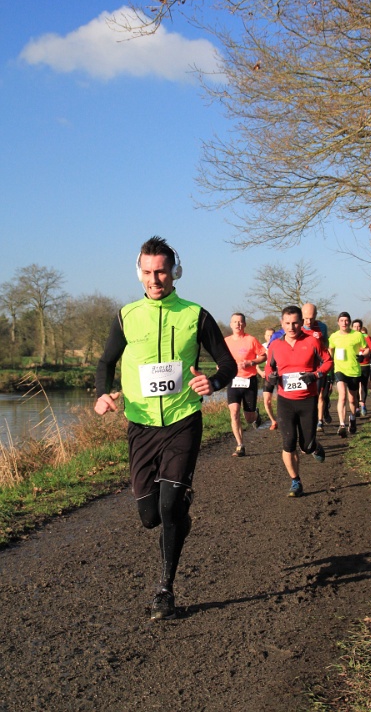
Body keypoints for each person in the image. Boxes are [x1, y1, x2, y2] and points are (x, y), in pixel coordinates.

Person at [94, 236, 236, 621]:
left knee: (169, 507)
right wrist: (103, 394)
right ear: (139, 273)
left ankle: (165, 590)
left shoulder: (195, 314)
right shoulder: (126, 316)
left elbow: (227, 364)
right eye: (147, 272)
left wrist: (213, 382)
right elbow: (106, 362)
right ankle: (179, 512)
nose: (154, 279)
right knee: (149, 516)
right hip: (141, 426)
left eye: (161, 271)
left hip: (182, 420)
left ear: (175, 272)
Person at [265, 305, 333, 497]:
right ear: (282, 323)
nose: (291, 327)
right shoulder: (275, 345)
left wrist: (315, 375)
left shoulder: (312, 341)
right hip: (285, 401)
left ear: (301, 322)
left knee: (306, 446)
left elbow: (328, 361)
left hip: (307, 401)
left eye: (295, 323)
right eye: (287, 323)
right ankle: (295, 481)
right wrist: (271, 377)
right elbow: (269, 369)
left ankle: (314, 446)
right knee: (288, 443)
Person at [224, 313, 267, 457]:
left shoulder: (251, 340)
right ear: (231, 324)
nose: (238, 324)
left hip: (249, 381)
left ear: (245, 324)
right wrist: (221, 366)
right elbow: (221, 358)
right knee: (234, 412)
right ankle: (240, 445)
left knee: (249, 419)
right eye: (235, 322)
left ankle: (255, 415)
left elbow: (263, 355)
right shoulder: (226, 341)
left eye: (240, 322)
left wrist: (251, 362)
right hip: (233, 380)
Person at [328, 312, 368, 437]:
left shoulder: (357, 335)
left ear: (349, 322)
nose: (344, 323)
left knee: (352, 399)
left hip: (354, 370)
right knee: (342, 396)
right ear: (338, 322)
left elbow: (366, 348)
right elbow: (330, 349)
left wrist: (362, 356)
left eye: (346, 320)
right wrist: (330, 361)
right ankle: (342, 425)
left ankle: (353, 418)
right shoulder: (334, 336)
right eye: (342, 320)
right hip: (340, 370)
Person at [301, 302, 332, 431]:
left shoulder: (322, 327)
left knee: (319, 394)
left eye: (312, 318)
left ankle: (319, 421)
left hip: (318, 367)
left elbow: (326, 345)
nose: (309, 321)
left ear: (316, 315)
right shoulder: (296, 327)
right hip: (302, 366)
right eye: (306, 318)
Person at [351, 320, 371, 417]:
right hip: (353, 365)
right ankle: (357, 406)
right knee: (355, 387)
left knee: (363, 386)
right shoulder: (349, 337)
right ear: (352, 327)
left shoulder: (366, 337)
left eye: (358, 326)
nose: (357, 328)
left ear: (361, 327)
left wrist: (364, 353)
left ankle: (362, 404)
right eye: (355, 327)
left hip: (365, 365)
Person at [258, 327, 278, 430]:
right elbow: (255, 362)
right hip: (268, 374)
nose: (270, 337)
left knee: (283, 399)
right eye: (268, 335)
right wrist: (260, 371)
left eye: (272, 335)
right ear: (264, 336)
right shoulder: (262, 347)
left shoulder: (280, 344)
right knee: (267, 400)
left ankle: (285, 419)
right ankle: (273, 421)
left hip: (281, 374)